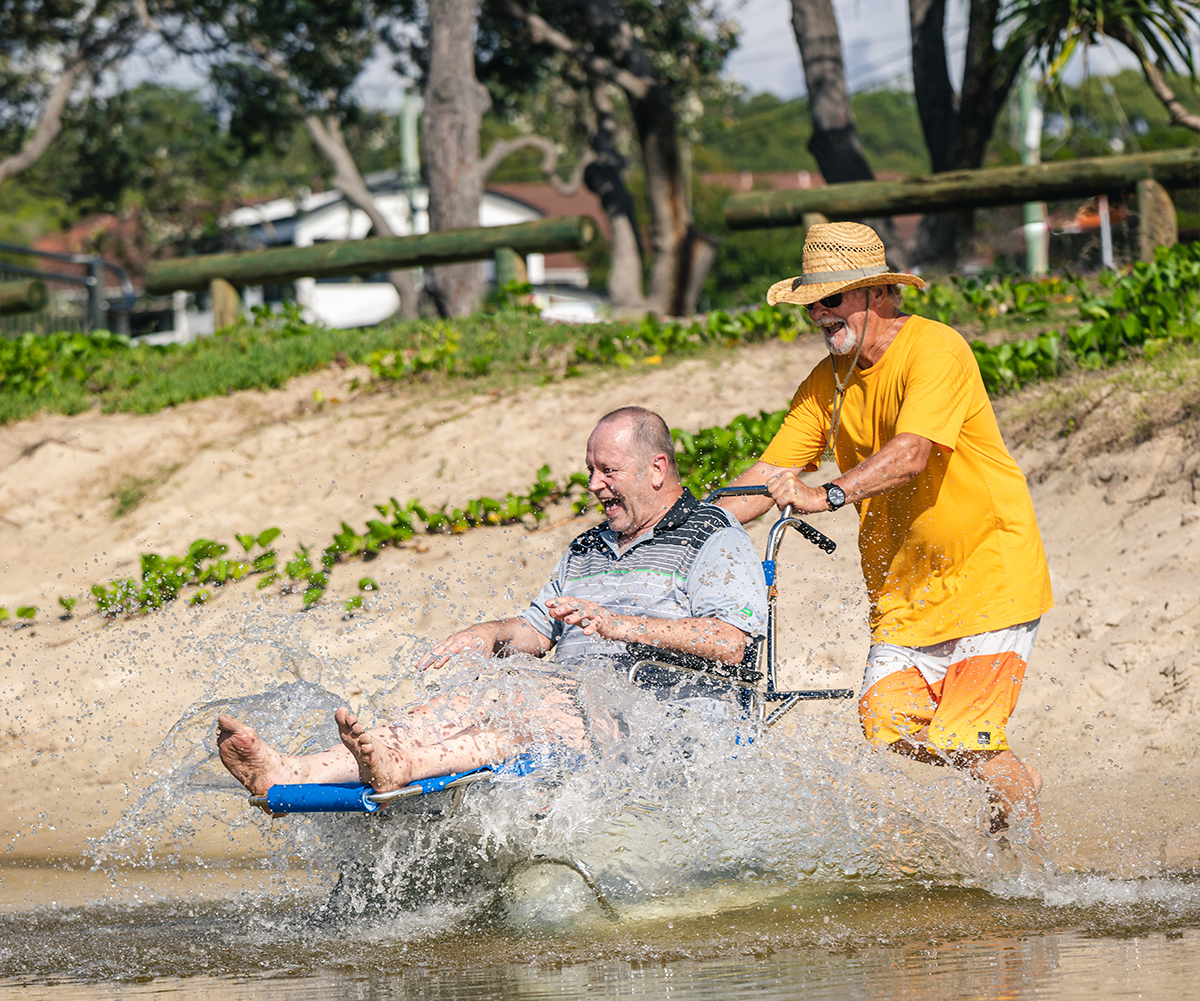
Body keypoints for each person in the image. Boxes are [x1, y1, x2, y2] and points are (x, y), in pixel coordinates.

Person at [218, 406, 768, 802]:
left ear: (656, 468)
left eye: (609, 471)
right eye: (591, 471)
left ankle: (401, 765)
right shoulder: (588, 545)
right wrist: (491, 635)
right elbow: (537, 632)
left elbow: (731, 642)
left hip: (661, 722)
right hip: (574, 705)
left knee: (525, 708)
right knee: (470, 697)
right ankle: (295, 769)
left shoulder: (711, 535)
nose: (595, 485)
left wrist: (622, 625)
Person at [717, 222, 1054, 834]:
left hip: (987, 578)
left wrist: (829, 494)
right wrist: (693, 527)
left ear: (875, 293)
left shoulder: (935, 348)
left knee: (968, 740)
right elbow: (770, 471)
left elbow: (913, 452)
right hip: (905, 596)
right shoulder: (828, 381)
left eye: (832, 300)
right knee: (888, 726)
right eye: (812, 304)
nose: (819, 314)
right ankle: (1014, 789)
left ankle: (1024, 873)